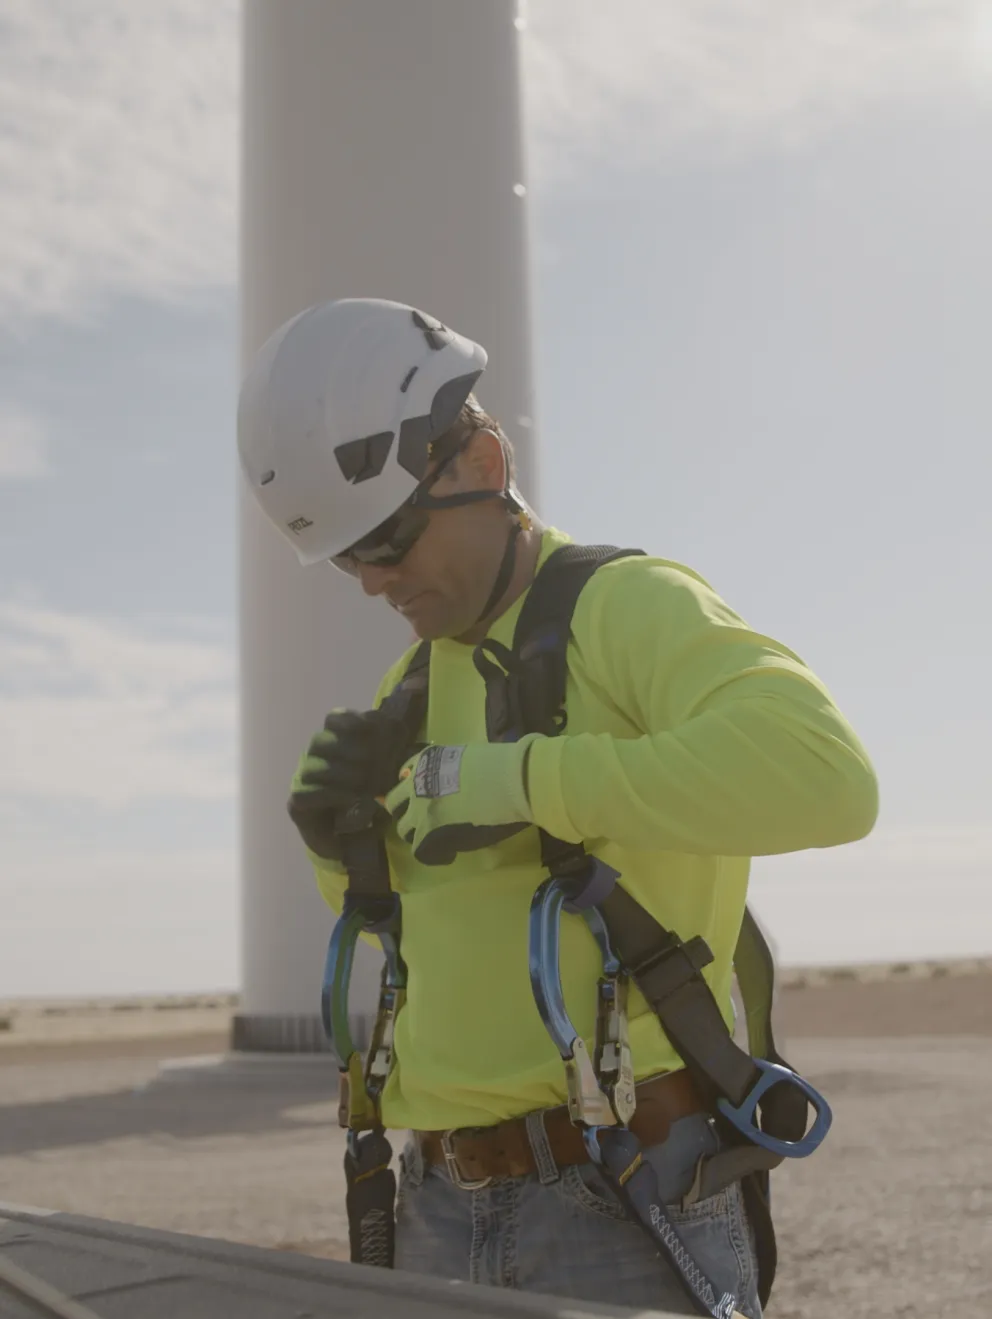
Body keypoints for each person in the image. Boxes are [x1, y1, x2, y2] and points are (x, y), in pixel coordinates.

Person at [238, 297, 879, 1317]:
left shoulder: (627, 604)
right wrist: (342, 850)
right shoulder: (412, 680)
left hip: (621, 1192)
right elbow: (436, 922)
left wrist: (520, 776)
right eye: (349, 556)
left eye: (390, 536)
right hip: (433, 1197)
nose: (372, 580)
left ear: (482, 463)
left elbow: (826, 776)